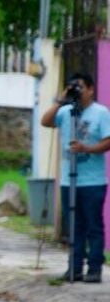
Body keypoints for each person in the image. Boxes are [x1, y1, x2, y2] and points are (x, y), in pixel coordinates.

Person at [41, 71, 110, 284]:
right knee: (74, 226)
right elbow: (45, 121)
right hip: (67, 181)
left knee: (93, 226)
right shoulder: (66, 111)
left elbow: (109, 141)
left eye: (80, 87)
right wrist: (61, 99)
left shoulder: (101, 113)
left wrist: (86, 148)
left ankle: (95, 268)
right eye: (74, 87)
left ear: (91, 89)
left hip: (92, 181)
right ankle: (74, 267)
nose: (77, 92)